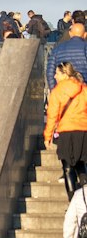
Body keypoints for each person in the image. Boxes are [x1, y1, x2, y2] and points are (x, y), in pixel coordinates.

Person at [45, 60, 87, 198]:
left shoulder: (57, 91)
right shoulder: (83, 88)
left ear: (64, 74)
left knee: (68, 168)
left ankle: (73, 200)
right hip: (82, 132)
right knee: (81, 166)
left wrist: (48, 136)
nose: (54, 77)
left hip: (66, 132)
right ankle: (85, 199)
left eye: (57, 73)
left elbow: (52, 116)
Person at [46, 12, 87, 89]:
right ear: (84, 35)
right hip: (83, 91)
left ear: (70, 34)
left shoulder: (58, 48)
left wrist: (54, 90)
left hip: (63, 90)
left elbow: (50, 71)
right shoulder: (85, 47)